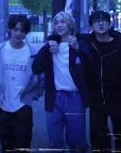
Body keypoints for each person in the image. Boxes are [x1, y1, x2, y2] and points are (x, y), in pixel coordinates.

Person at [77, 11, 121, 152]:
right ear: (91, 25)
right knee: (99, 141)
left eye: (104, 20)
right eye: (96, 21)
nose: (101, 23)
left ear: (110, 24)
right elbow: (63, 34)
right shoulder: (86, 44)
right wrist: (53, 38)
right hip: (98, 99)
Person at [0, 15, 44, 152]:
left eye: (22, 30)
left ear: (26, 32)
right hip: (2, 106)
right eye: (15, 29)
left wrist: (32, 97)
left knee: (23, 146)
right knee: (6, 146)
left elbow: (41, 80)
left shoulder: (33, 53)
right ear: (9, 30)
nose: (18, 33)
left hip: (23, 106)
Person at [32, 11, 90, 152]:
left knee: (77, 143)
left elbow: (91, 68)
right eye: (56, 22)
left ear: (70, 24)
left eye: (63, 21)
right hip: (54, 98)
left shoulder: (80, 43)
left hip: (75, 98)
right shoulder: (51, 46)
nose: (59, 25)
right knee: (55, 142)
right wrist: (46, 49)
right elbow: (36, 68)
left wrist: (78, 49)